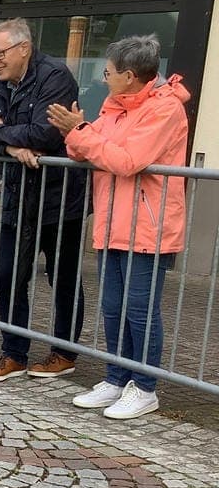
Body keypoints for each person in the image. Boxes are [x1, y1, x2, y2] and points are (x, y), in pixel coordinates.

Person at [48, 35, 189, 420]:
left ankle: (144, 387)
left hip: (149, 225)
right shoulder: (114, 106)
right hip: (113, 221)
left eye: (108, 72)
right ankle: (116, 377)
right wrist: (77, 132)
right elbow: (84, 149)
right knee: (113, 307)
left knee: (139, 310)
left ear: (129, 75)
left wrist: (81, 132)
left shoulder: (165, 110)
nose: (103, 77)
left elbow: (126, 160)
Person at [0, 17, 87, 382]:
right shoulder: (2, 85)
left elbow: (46, 134)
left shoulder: (55, 76)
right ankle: (14, 353)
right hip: (18, 196)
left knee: (63, 279)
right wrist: (9, 144)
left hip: (59, 199)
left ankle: (64, 352)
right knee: (8, 277)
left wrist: (3, 131)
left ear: (24, 48)